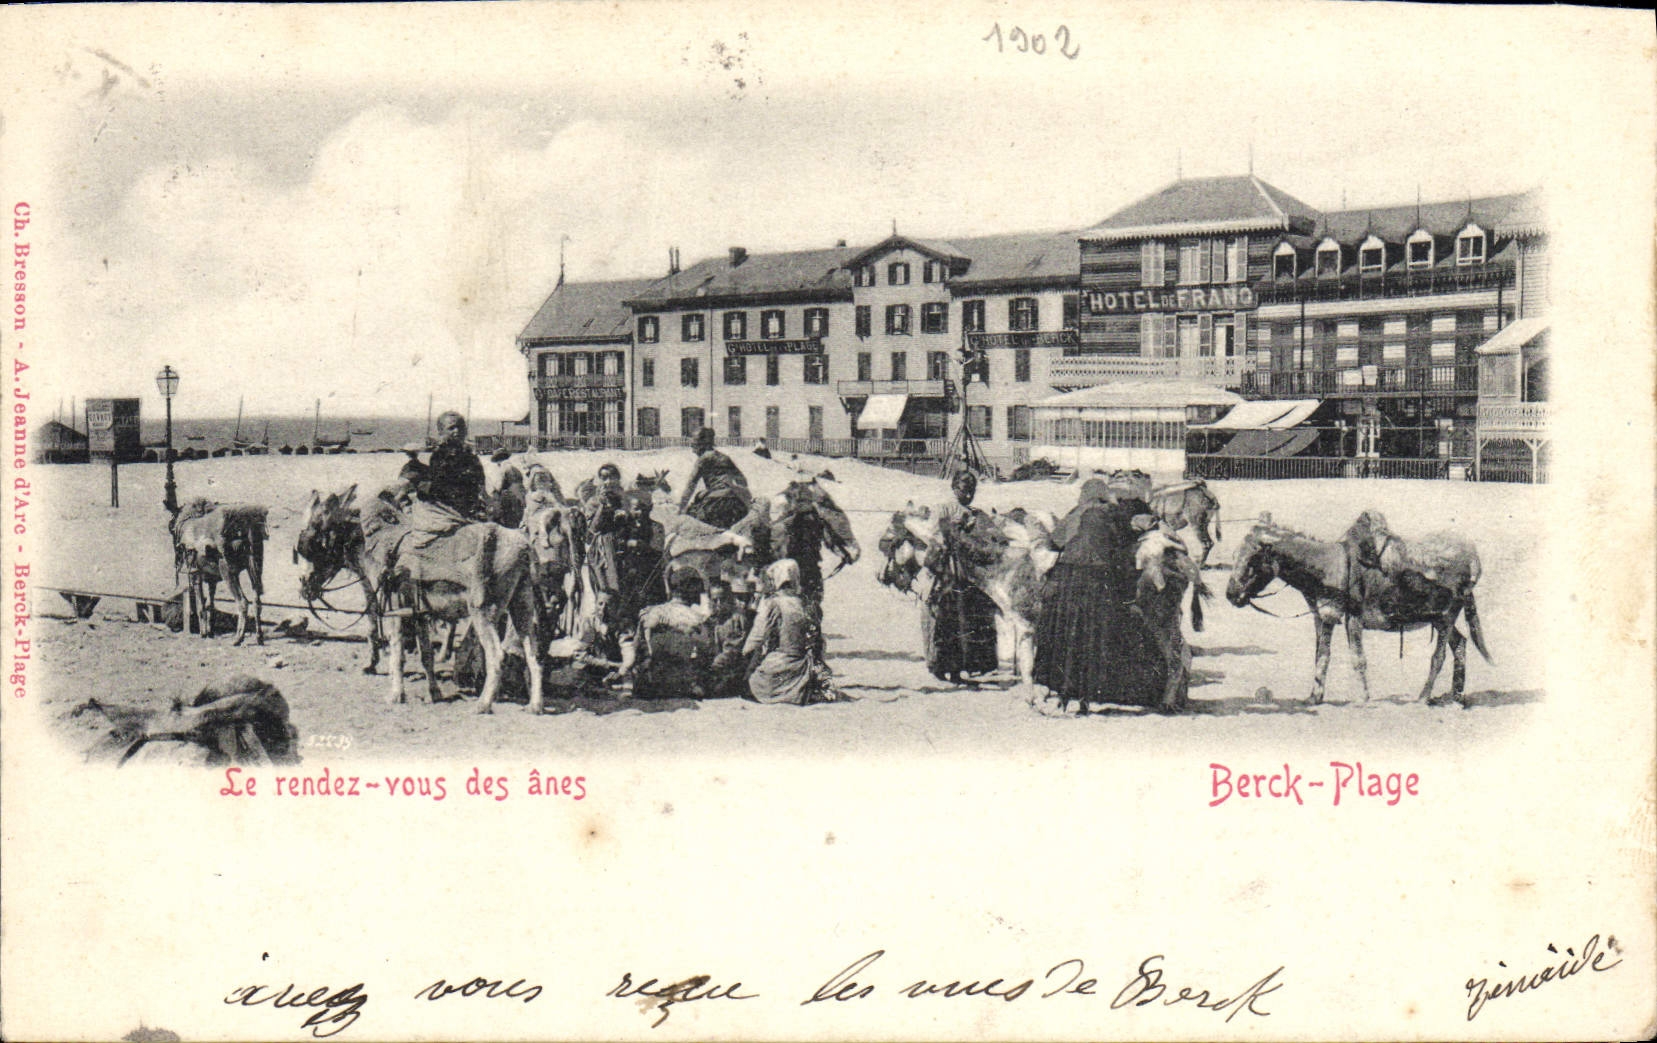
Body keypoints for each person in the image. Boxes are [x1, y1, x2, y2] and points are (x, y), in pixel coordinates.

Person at [1032, 478, 1162, 712]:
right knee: (1093, 636)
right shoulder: (1113, 513)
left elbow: (1055, 541)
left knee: (1065, 635)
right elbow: (1124, 546)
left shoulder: (1075, 514)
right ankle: (1089, 694)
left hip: (1068, 576)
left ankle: (1060, 691)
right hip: (1097, 578)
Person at [923, 471, 1000, 685]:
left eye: (971, 491)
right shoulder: (944, 508)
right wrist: (953, 528)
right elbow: (933, 535)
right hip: (948, 570)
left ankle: (962, 668)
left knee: (966, 620)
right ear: (954, 488)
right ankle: (943, 667)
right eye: (964, 490)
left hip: (968, 573)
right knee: (949, 619)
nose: (968, 495)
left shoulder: (976, 512)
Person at [742, 559, 841, 705]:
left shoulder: (774, 604)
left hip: (781, 663)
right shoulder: (806, 603)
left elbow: (757, 638)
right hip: (806, 665)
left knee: (750, 684)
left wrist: (744, 654)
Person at [633, 568, 714, 700]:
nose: (700, 592)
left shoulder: (651, 612)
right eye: (697, 586)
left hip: (650, 681)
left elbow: (637, 646)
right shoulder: (697, 618)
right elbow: (706, 650)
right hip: (684, 684)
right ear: (686, 587)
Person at [679, 427, 752, 530]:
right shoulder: (725, 458)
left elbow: (691, 485)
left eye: (694, 445)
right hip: (734, 503)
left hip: (714, 504)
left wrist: (681, 508)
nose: (693, 450)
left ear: (703, 444)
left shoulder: (703, 459)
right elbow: (743, 481)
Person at [424, 411, 486, 519]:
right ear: (441, 432)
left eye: (460, 427)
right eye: (451, 428)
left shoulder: (470, 456)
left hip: (471, 507)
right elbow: (440, 487)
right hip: (448, 509)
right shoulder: (439, 456)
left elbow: (480, 481)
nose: (457, 431)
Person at [705, 575, 754, 699]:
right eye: (715, 600)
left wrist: (711, 667)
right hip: (715, 667)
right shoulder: (711, 620)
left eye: (722, 600)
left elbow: (731, 652)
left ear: (730, 599)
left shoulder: (736, 620)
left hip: (732, 669)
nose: (719, 604)